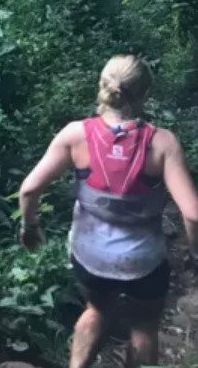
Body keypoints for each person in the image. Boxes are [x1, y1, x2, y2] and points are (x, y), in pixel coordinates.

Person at [18, 55, 198, 368]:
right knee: (144, 325)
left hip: (91, 256)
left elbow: (29, 189)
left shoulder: (76, 135)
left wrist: (30, 228)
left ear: (101, 86)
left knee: (96, 310)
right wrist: (195, 253)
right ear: (144, 94)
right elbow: (193, 214)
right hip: (143, 261)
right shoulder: (162, 144)